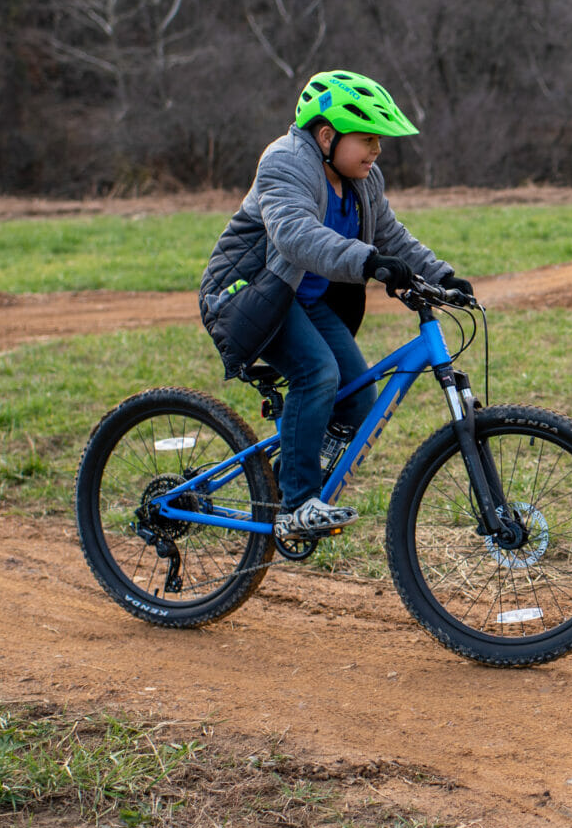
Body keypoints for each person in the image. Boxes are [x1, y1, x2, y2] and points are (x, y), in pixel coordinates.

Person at [199, 71, 471, 539]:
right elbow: (295, 235)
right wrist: (369, 263)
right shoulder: (284, 163)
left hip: (305, 301)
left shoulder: (364, 179)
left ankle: (296, 467)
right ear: (327, 135)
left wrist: (441, 274)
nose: (377, 151)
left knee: (359, 395)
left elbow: (391, 236)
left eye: (379, 141)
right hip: (252, 296)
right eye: (367, 139)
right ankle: (296, 503)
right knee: (318, 372)